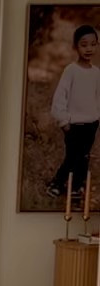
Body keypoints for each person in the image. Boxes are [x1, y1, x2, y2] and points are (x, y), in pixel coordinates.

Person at [49, 23, 100, 199]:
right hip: (73, 124)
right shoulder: (71, 71)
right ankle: (57, 183)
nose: (89, 49)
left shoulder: (96, 73)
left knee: (84, 156)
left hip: (91, 124)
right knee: (72, 156)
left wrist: (97, 118)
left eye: (93, 44)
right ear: (75, 47)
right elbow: (60, 97)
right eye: (84, 44)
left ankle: (76, 188)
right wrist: (63, 121)